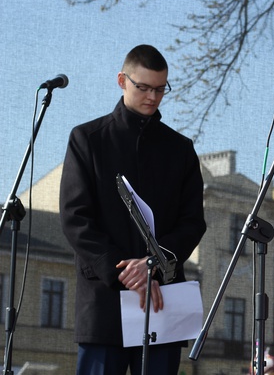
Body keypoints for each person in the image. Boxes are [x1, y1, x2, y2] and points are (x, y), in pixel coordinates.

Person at [59, 44, 207, 374]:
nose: (152, 97)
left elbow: (193, 222)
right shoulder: (87, 139)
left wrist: (153, 262)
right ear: (122, 80)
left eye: (160, 89)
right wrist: (125, 271)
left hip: (163, 304)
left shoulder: (181, 150)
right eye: (143, 87)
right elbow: (75, 218)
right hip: (104, 301)